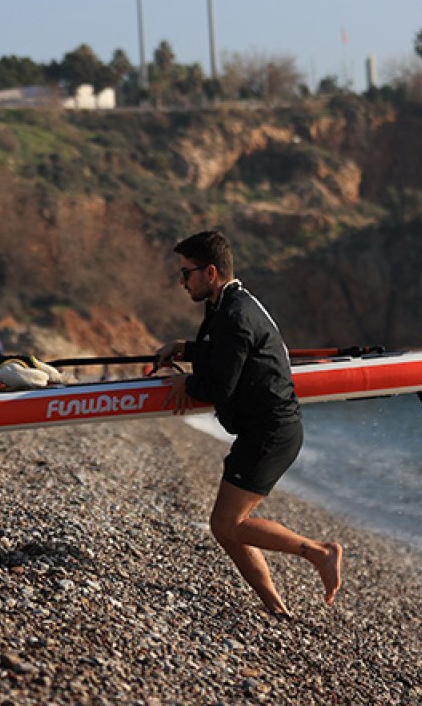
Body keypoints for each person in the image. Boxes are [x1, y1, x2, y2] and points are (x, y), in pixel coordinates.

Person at [155, 230, 342, 617]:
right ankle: (275, 608)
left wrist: (184, 382)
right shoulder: (228, 304)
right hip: (265, 428)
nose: (181, 282)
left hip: (272, 431)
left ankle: (321, 552)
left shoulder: (236, 314)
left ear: (210, 272)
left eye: (185, 273)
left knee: (228, 523)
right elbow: (220, 353)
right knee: (226, 525)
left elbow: (220, 386)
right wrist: (185, 349)